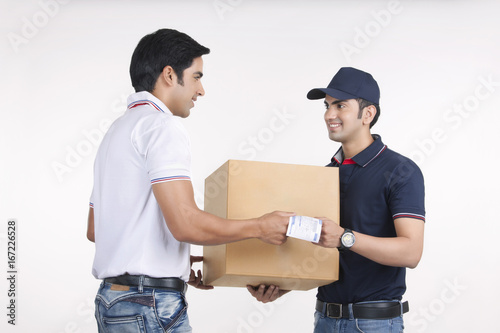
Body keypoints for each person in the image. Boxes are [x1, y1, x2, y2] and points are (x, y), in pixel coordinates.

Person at [86, 28, 294, 333]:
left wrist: (176, 262)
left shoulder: (115, 132)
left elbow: (96, 230)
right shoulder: (161, 127)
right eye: (196, 76)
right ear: (170, 75)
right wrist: (260, 227)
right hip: (149, 305)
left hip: (113, 302)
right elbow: (185, 224)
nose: (201, 90)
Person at [248, 67, 425, 333]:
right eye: (327, 106)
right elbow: (318, 252)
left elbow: (411, 252)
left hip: (374, 323)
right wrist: (281, 286)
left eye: (340, 105)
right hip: (324, 319)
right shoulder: (324, 175)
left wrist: (345, 237)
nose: (329, 114)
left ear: (368, 114)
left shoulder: (400, 170)